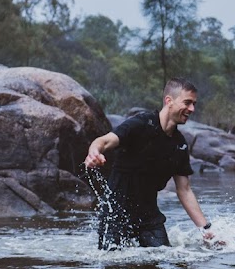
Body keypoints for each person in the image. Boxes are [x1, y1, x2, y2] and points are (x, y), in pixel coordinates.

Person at [84, 78, 216, 250]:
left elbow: (184, 190)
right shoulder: (140, 124)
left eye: (194, 104)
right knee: (114, 267)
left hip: (149, 219)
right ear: (169, 101)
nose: (192, 109)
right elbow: (104, 141)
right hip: (115, 215)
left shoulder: (180, 144)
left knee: (163, 261)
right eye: (188, 103)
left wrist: (205, 229)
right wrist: (94, 152)